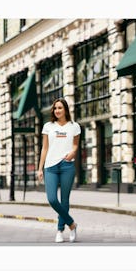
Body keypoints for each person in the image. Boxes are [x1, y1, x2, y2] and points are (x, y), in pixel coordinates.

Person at [37, 98, 81, 243]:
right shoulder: (48, 126)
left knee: (65, 200)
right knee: (52, 199)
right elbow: (44, 148)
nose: (57, 110)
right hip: (50, 166)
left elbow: (75, 145)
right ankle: (72, 224)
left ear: (66, 110)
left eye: (60, 108)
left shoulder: (74, 127)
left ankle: (60, 230)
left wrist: (73, 152)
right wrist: (40, 168)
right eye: (55, 108)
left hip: (67, 165)